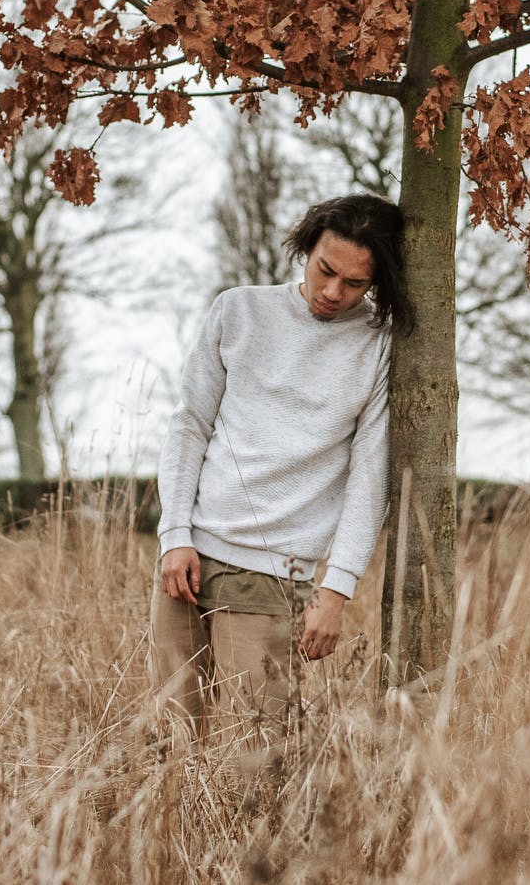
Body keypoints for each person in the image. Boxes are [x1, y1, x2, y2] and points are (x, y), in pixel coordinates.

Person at [150, 193, 410, 736]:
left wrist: (336, 591)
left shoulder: (378, 347)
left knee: (258, 757)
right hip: (188, 558)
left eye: (355, 284)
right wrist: (174, 533)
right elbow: (189, 424)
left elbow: (370, 477)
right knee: (170, 744)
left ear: (377, 282)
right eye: (326, 271)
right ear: (306, 248)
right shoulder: (238, 310)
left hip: (275, 574)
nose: (334, 292)